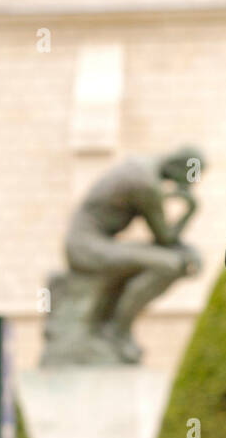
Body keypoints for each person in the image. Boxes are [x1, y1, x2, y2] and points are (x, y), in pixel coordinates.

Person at [65, 147, 203, 363]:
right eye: (191, 176)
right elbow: (165, 239)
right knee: (170, 266)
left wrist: (187, 250)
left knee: (169, 260)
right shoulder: (146, 183)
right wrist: (190, 210)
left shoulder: (141, 167)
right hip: (86, 247)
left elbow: (163, 241)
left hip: (95, 243)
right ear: (181, 167)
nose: (189, 184)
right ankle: (117, 330)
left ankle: (114, 328)